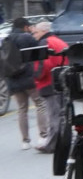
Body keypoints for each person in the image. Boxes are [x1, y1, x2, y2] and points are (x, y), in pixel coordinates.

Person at [7, 18, 48, 150]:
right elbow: (39, 52)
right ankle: (43, 135)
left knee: (22, 108)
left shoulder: (6, 40)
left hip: (13, 78)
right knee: (40, 104)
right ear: (25, 27)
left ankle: (25, 140)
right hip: (29, 77)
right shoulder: (25, 37)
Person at [31, 21, 68, 153]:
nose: (33, 35)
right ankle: (64, 141)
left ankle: (52, 144)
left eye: (35, 32)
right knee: (62, 115)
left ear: (42, 31)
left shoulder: (44, 43)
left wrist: (36, 76)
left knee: (53, 116)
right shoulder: (58, 41)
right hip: (61, 82)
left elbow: (43, 65)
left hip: (49, 83)